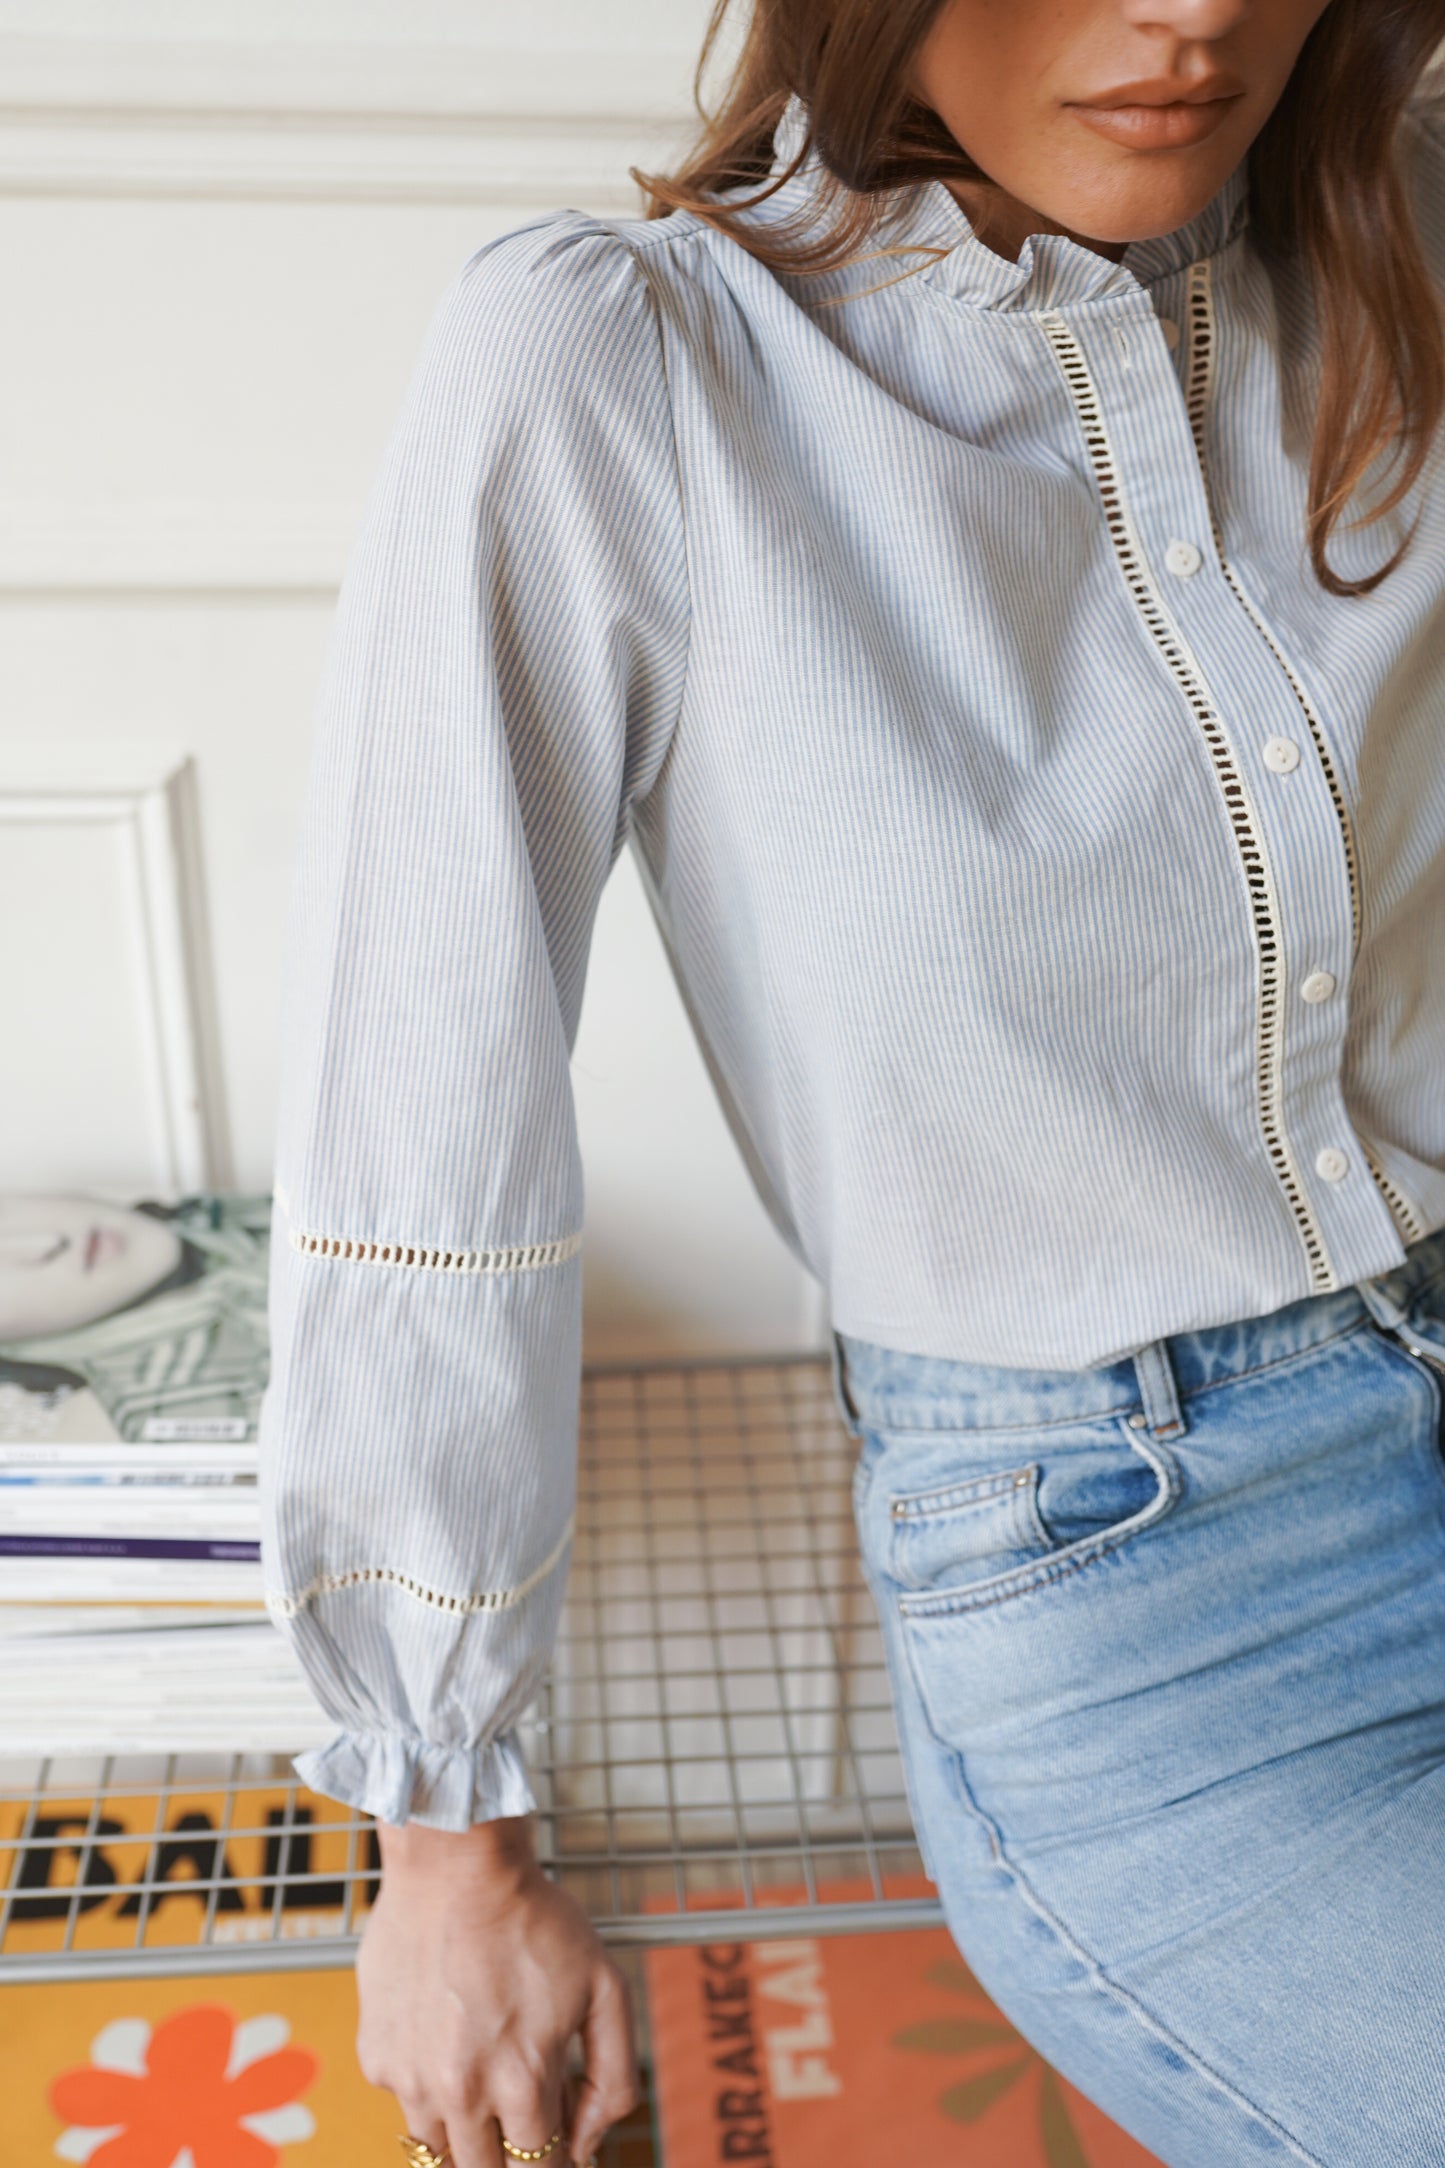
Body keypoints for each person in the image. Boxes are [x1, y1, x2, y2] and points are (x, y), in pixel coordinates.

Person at [255, 0, 1445, 2160]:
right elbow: (424, 1088)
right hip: (1165, 1610)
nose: (1194, 15)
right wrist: (445, 1838)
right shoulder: (627, 364)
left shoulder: (1410, 227)